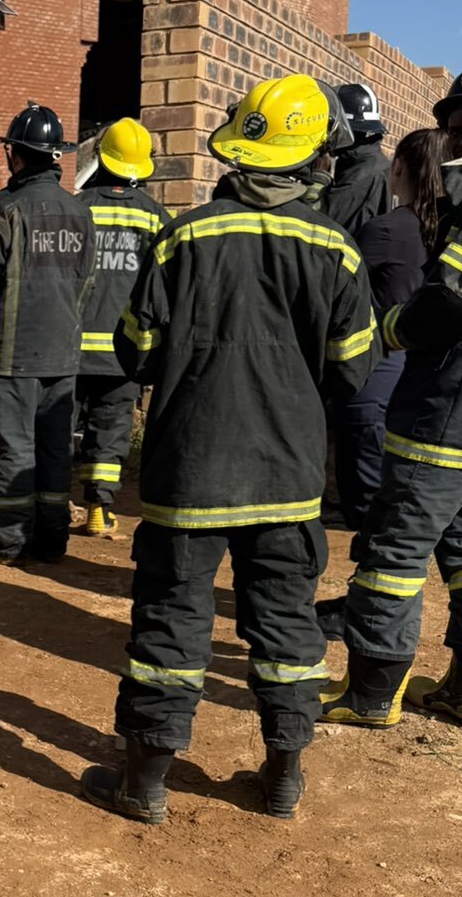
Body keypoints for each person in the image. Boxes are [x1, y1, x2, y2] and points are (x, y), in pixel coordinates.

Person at [80, 75, 377, 823]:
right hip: (287, 475)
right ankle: (282, 778)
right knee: (285, 627)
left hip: (189, 472)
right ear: (316, 159)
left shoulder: (185, 236)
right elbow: (354, 368)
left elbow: (136, 348)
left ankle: (144, 784)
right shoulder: (336, 250)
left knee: (169, 623)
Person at [323, 126, 462, 726]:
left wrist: (393, 329)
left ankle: (372, 695)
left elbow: (449, 298)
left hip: (443, 415)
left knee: (393, 554)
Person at [0, 102, 95, 563]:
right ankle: (51, 540)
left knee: (11, 449)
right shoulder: (80, 213)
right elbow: (85, 283)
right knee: (54, 449)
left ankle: (8, 542)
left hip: (11, 358)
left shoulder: (4, 214)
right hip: (63, 356)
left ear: (16, 154)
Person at [317, 128, 439, 639]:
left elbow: (337, 296)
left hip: (376, 376)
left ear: (401, 171)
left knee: (367, 495)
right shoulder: (445, 231)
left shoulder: (387, 229)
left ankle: (362, 610)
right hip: (427, 386)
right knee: (397, 503)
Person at [73, 119, 171, 536]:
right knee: (110, 429)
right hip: (123, 349)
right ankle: (99, 507)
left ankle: (53, 503)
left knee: (60, 425)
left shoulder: (76, 208)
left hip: (71, 348)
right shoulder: (155, 218)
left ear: (102, 159)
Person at [321, 82, 392, 237]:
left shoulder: (360, 177)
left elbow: (326, 228)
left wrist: (318, 178)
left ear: (342, 128)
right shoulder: (373, 162)